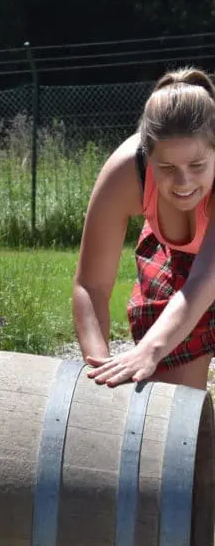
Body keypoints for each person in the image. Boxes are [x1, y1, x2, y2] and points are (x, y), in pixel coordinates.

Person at [73, 67, 215, 390]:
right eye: (167, 167)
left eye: (197, 165)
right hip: (173, 258)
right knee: (170, 403)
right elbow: (90, 286)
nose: (183, 182)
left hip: (208, 271)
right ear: (148, 156)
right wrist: (100, 373)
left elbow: (206, 280)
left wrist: (149, 349)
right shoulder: (126, 171)